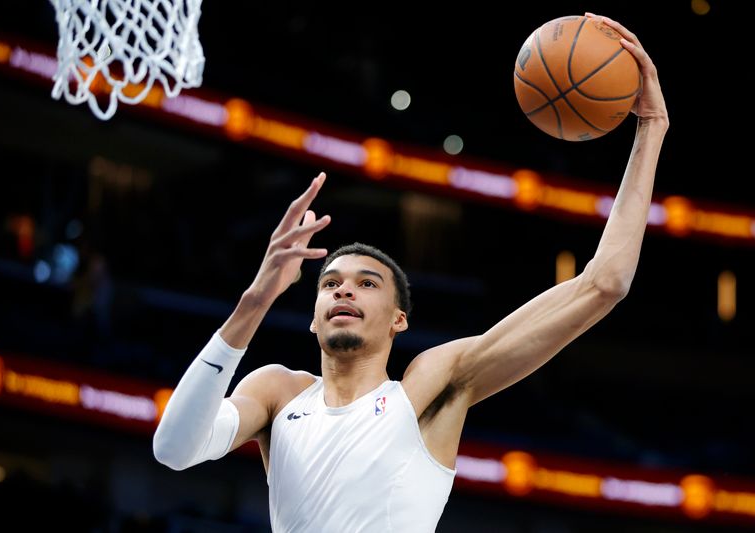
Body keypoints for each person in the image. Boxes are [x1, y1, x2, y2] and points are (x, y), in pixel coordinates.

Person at [153, 14, 668, 532]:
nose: (343, 289)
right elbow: (175, 450)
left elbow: (605, 283)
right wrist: (254, 302)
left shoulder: (429, 389)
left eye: (366, 282)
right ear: (313, 318)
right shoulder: (279, 392)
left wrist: (651, 128)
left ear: (398, 320)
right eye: (329, 283)